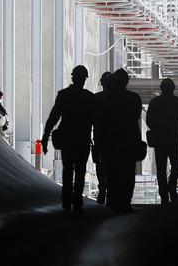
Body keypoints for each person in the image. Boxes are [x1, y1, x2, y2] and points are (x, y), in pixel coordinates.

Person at [42, 65, 95, 213]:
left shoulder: (64, 95)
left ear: (73, 77)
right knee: (80, 170)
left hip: (68, 139)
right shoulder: (89, 98)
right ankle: (77, 200)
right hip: (83, 139)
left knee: (68, 170)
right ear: (84, 79)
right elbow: (96, 121)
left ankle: (67, 201)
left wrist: (46, 137)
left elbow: (54, 117)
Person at [146, 77, 178, 204]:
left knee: (161, 168)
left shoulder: (155, 102)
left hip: (160, 139)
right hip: (174, 139)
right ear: (173, 88)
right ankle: (171, 187)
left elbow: (149, 121)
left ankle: (164, 195)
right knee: (176, 166)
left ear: (161, 88)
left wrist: (159, 128)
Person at [103, 68, 144, 213]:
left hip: (111, 141)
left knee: (112, 172)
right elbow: (135, 118)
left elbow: (102, 121)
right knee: (128, 173)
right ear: (126, 82)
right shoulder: (134, 98)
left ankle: (113, 201)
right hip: (129, 140)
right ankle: (126, 202)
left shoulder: (107, 99)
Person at [92, 72, 114, 205]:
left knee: (100, 165)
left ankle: (103, 189)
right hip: (114, 139)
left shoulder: (96, 98)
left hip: (100, 138)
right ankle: (110, 190)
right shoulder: (120, 100)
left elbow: (90, 119)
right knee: (114, 165)